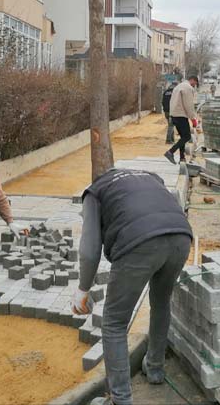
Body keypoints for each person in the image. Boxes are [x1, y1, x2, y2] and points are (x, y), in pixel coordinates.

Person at [73, 168, 193, 405]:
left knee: (115, 322)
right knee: (161, 302)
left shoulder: (93, 193)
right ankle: (155, 369)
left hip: (138, 244)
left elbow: (89, 251)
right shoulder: (151, 177)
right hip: (181, 236)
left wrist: (83, 289)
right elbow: (175, 203)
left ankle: (120, 399)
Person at [164, 75, 198, 165]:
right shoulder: (188, 88)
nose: (195, 85)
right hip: (181, 115)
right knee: (187, 136)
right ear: (192, 80)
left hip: (174, 114)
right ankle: (170, 152)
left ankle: (182, 158)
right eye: (195, 83)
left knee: (183, 137)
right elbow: (188, 105)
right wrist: (193, 118)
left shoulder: (179, 86)